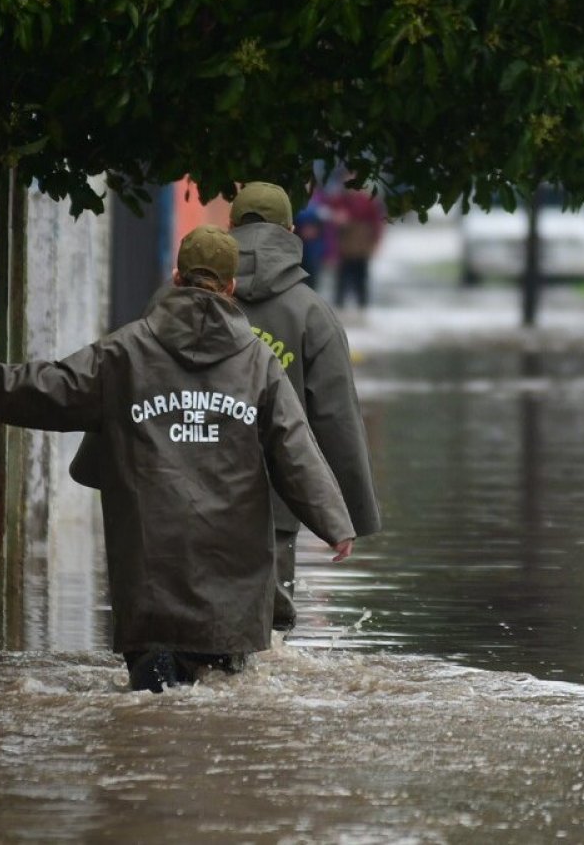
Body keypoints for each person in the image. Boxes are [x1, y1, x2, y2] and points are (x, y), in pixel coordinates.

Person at [0, 225, 355, 692]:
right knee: (226, 716)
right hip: (232, 581)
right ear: (231, 288)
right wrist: (335, 524)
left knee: (152, 710)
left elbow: (54, 387)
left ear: (177, 277)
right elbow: (294, 448)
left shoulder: (126, 350)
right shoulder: (259, 362)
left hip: (150, 574)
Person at [72, 182, 382, 632]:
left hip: (171, 493)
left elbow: (132, 379)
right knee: (260, 638)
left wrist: (100, 464)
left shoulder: (169, 298)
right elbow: (335, 418)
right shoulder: (312, 314)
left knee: (171, 628)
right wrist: (347, 514)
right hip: (271, 507)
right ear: (292, 231)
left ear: (231, 225)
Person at [330, 183, 385, 310]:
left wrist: (376, 243)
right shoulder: (338, 200)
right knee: (342, 282)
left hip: (362, 247)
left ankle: (362, 309)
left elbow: (377, 224)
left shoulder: (368, 201)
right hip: (344, 248)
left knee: (361, 281)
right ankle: (340, 310)